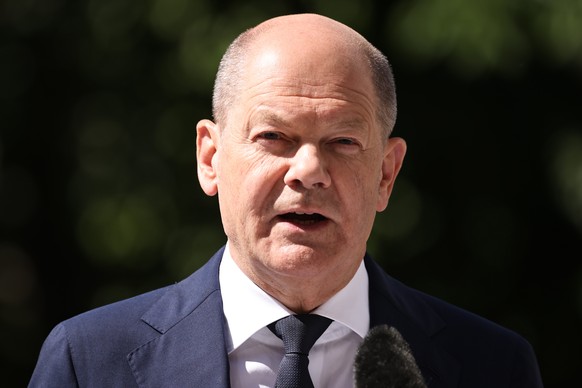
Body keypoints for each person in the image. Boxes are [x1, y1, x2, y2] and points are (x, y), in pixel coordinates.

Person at [29, 13, 543, 387]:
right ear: (210, 159)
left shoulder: (492, 366)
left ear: (386, 173)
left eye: (343, 142)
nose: (309, 171)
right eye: (273, 137)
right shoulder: (90, 362)